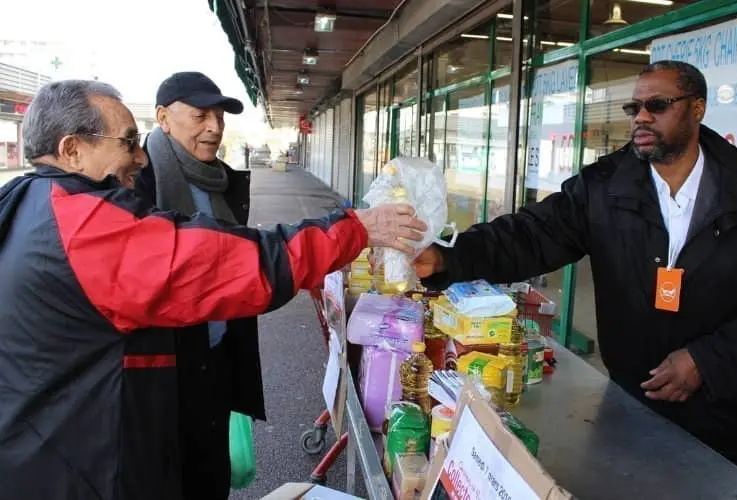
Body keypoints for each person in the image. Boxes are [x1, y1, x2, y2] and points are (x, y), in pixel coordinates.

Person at [0, 79, 426, 500]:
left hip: (65, 443)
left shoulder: (28, 200)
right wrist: (354, 229)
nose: (141, 156)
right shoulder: (85, 223)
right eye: (128, 142)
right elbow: (231, 264)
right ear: (71, 149)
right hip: (82, 466)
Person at [414, 60, 737, 473]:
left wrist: (708, 361)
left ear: (698, 109)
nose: (642, 118)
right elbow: (529, 235)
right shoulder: (606, 185)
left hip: (723, 415)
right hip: (628, 402)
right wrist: (447, 256)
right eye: (634, 108)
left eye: (658, 104)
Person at [134, 72, 262, 499]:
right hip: (163, 361)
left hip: (218, 349)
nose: (215, 127)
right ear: (163, 118)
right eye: (201, 115)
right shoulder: (135, 182)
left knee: (211, 471)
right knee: (166, 474)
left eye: (220, 117)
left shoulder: (223, 181)